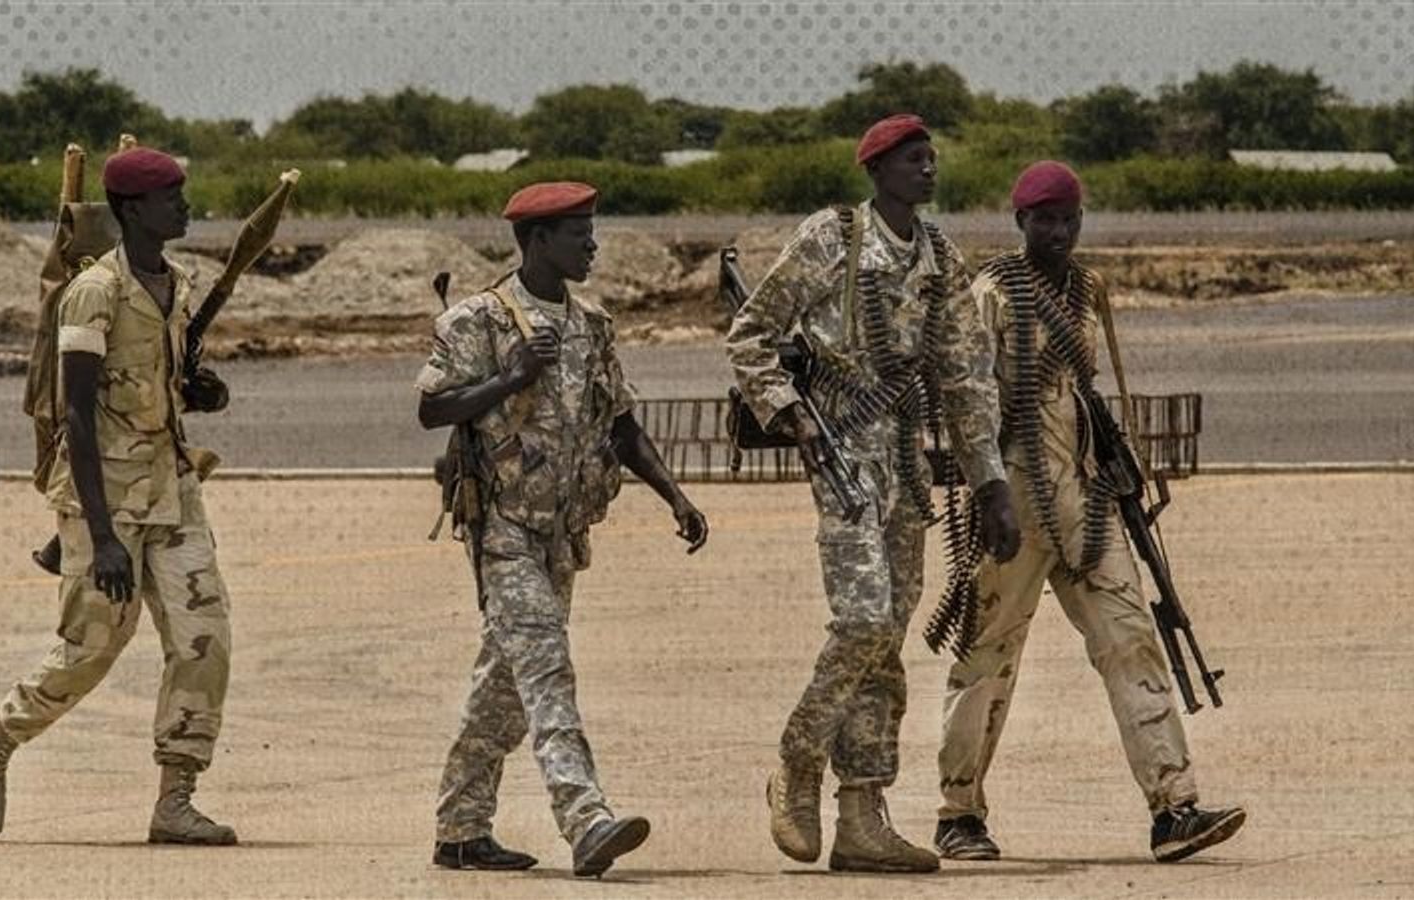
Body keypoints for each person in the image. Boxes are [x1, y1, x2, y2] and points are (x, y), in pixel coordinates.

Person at [725, 114, 1020, 873]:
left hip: (905, 466)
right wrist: (791, 415)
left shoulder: (940, 256)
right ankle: (797, 761)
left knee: (887, 638)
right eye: (914, 159)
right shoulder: (832, 238)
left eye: (932, 157)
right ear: (878, 169)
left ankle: (861, 815)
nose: (929, 169)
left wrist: (989, 480)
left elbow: (966, 377)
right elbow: (751, 335)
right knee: (860, 621)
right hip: (842, 457)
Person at [933, 160, 1246, 864]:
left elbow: (1087, 395)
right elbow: (968, 403)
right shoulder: (992, 295)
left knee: (1131, 638)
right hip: (1015, 499)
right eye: (1045, 220)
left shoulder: (1086, 291)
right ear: (1021, 222)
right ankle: (958, 814)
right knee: (987, 656)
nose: (1059, 232)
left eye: (1069, 219)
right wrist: (988, 492)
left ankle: (1174, 806)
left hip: (1086, 501)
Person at [417, 181, 710, 877]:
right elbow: (432, 409)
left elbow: (622, 424)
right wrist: (511, 377)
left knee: (504, 685)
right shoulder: (478, 320)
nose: (593, 245)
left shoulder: (592, 325)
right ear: (538, 240)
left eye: (591, 230)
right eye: (579, 233)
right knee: (547, 667)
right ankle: (585, 818)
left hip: (562, 534)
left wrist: (674, 496)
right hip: (503, 530)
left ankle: (460, 830)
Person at [0, 147, 237, 846]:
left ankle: (176, 800)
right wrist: (103, 537)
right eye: (171, 197)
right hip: (102, 496)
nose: (184, 206)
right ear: (132, 211)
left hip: (173, 487)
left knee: (204, 640)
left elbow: (160, 385)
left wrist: (201, 392)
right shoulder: (94, 293)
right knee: (92, 647)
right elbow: (77, 415)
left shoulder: (177, 283)